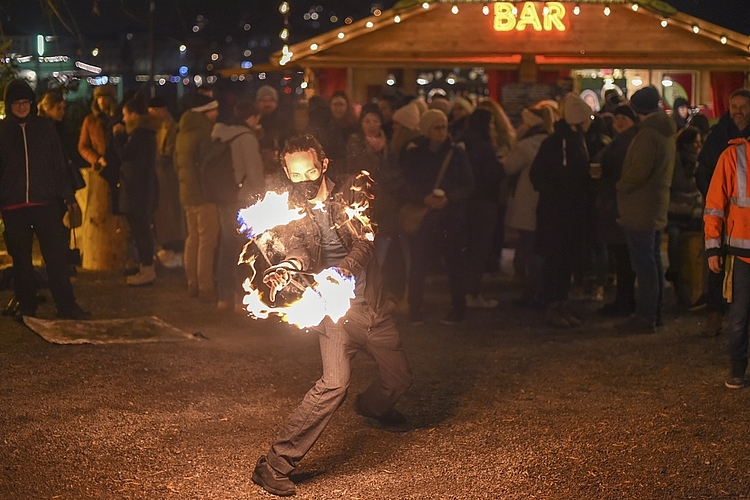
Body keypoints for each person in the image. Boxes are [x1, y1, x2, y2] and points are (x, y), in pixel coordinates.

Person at [251, 134, 412, 497]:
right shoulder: (294, 210)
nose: (303, 180)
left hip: (371, 306)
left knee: (400, 379)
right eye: (295, 175)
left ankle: (372, 408)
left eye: (309, 170)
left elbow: (365, 242)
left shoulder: (352, 194)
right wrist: (287, 267)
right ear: (287, 175)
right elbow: (299, 250)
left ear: (323, 165)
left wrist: (344, 271)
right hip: (335, 314)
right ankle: (274, 464)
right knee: (334, 383)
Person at [0, 79, 89, 320]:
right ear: (9, 105)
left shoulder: (44, 128)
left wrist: (68, 197)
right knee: (21, 260)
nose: (21, 107)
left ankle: (66, 305)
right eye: (16, 103)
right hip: (13, 205)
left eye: (25, 102)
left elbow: (58, 164)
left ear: (32, 103)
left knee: (56, 257)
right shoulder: (3, 131)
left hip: (45, 203)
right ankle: (27, 306)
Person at [400, 109, 475, 325]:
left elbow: (469, 184)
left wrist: (449, 198)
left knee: (454, 263)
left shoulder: (456, 153)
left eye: (444, 126)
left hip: (450, 216)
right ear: (426, 130)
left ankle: (458, 309)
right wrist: (424, 199)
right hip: (425, 216)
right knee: (419, 263)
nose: (442, 131)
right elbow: (405, 184)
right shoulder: (415, 153)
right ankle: (415, 309)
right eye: (437, 127)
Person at [616, 86, 676, 334]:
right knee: (652, 262)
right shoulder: (665, 132)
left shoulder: (647, 135)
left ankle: (646, 315)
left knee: (644, 264)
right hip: (656, 204)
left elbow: (637, 171)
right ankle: (655, 313)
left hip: (641, 207)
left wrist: (620, 185)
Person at [530, 93, 593, 328]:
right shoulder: (558, 144)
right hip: (557, 212)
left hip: (568, 211)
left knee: (564, 260)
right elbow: (537, 176)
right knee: (556, 260)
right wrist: (565, 185)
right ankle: (553, 305)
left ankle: (561, 303)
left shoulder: (576, 141)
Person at [696, 89, 750, 336]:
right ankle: (715, 312)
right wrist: (715, 199)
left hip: (745, 222)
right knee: (716, 263)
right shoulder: (719, 135)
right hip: (723, 214)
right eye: (734, 106)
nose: (738, 111)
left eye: (743, 106)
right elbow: (705, 169)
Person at [704, 134, 750, 389]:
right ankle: (737, 368)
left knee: (739, 316)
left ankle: (737, 371)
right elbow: (715, 206)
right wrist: (713, 247)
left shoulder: (734, 156)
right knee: (739, 316)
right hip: (741, 254)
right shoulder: (733, 156)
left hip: (739, 251)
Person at [210, 100, 264, 311]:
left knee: (226, 246)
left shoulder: (221, 134)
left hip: (224, 196)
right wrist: (262, 196)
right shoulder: (246, 138)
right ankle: (242, 297)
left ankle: (224, 296)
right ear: (252, 117)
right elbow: (254, 172)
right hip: (242, 199)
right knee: (243, 248)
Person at [504, 104, 555, 308]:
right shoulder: (551, 142)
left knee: (530, 249)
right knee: (543, 249)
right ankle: (544, 290)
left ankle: (532, 291)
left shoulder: (525, 146)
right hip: (548, 203)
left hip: (527, 203)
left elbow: (509, 167)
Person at [174, 94, 221, 301]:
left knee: (192, 239)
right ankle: (206, 287)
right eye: (214, 109)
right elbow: (209, 166)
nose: (217, 114)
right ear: (205, 111)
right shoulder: (206, 132)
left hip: (187, 193)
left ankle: (192, 283)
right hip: (204, 195)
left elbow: (178, 165)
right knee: (207, 242)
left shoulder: (183, 131)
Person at [345, 103, 401, 267]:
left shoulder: (389, 145)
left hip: (386, 205)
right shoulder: (355, 142)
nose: (371, 125)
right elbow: (355, 168)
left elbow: (395, 171)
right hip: (364, 202)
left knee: (381, 254)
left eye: (375, 121)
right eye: (367, 121)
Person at [596, 104, 638, 317]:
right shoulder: (622, 141)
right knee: (622, 257)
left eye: (624, 117)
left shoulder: (625, 143)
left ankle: (625, 302)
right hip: (615, 204)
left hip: (617, 205)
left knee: (623, 258)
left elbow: (620, 176)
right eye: (617, 117)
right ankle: (624, 300)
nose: (620, 121)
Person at [111, 99, 158, 286]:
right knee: (141, 230)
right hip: (140, 189)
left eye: (125, 114)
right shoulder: (145, 133)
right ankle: (144, 267)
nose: (123, 119)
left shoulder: (139, 134)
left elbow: (124, 154)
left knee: (141, 231)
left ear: (133, 115)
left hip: (137, 190)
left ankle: (147, 269)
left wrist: (117, 137)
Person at [462, 108, 503, 309]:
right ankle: (473, 292)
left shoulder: (465, 143)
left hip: (467, 202)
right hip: (484, 201)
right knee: (479, 248)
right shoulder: (485, 148)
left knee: (469, 248)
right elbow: (491, 176)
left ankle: (464, 291)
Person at [665, 126, 703, 298]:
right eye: (695, 142)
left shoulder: (699, 162)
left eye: (699, 142)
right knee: (674, 238)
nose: (697, 146)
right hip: (674, 213)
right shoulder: (675, 161)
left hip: (693, 213)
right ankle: (675, 273)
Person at [148, 96, 184, 269]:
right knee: (165, 216)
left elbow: (168, 153)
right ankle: (169, 249)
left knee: (171, 215)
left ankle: (174, 250)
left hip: (168, 178)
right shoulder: (157, 127)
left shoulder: (171, 127)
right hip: (161, 177)